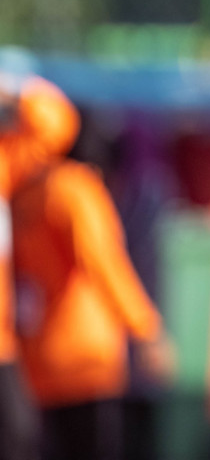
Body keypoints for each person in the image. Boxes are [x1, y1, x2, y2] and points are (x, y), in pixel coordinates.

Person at [10, 106, 175, 460]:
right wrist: (146, 330)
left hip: (38, 356)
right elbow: (104, 263)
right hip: (86, 356)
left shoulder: (23, 192)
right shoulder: (75, 188)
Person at [0, 74, 83, 460]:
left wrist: (18, 91)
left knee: (20, 437)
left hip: (5, 343)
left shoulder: (6, 164)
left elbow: (56, 125)